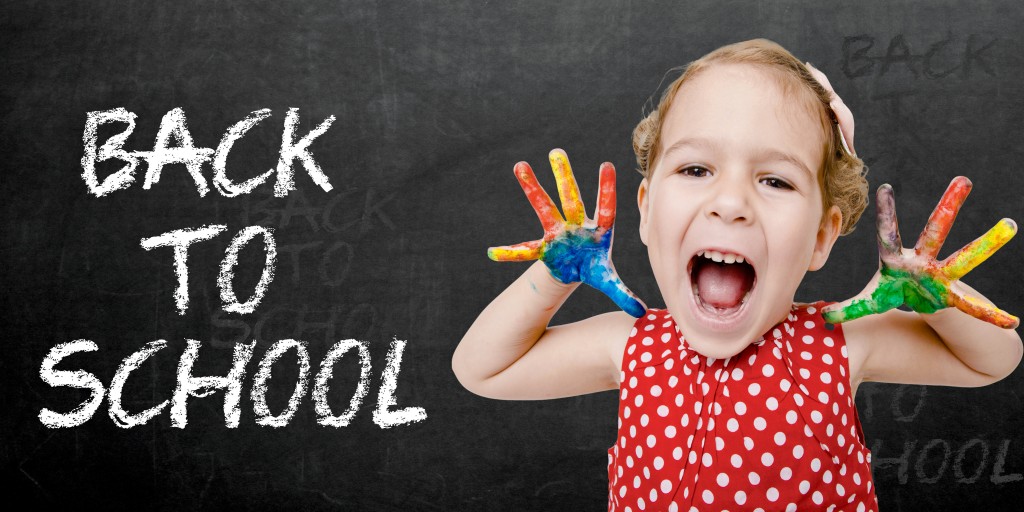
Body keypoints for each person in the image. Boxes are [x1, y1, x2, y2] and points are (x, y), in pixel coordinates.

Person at [451, 39, 1022, 511]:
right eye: (696, 168)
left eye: (775, 180)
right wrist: (556, 277)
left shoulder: (838, 343)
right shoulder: (631, 343)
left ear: (823, 235)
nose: (731, 203)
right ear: (646, 211)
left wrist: (937, 296)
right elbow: (484, 369)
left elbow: (992, 359)